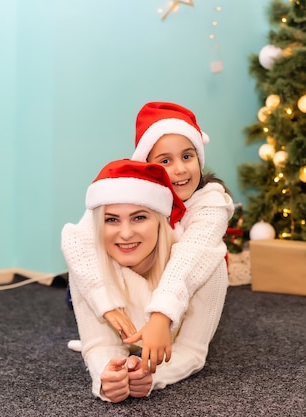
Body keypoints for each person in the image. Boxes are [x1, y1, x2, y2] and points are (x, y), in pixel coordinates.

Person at [61, 102, 235, 401]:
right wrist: (107, 369)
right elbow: (77, 240)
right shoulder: (128, 197)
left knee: (210, 261)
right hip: (122, 291)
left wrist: (160, 320)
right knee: (89, 260)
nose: (179, 169)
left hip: (176, 293)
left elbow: (191, 256)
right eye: (165, 161)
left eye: (187, 156)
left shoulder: (210, 203)